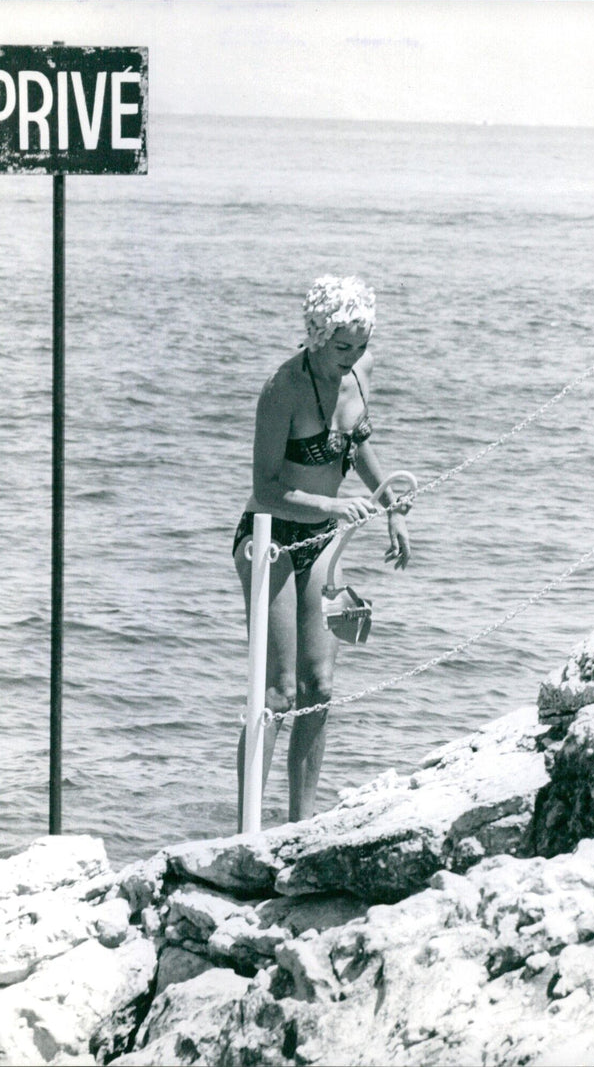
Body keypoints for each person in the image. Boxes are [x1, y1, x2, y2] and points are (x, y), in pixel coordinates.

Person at [232, 275, 411, 829]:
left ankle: (299, 828)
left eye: (359, 346)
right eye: (341, 347)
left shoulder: (361, 369)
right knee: (280, 692)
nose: (351, 359)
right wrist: (332, 508)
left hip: (322, 541)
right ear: (316, 335)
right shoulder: (282, 388)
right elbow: (265, 489)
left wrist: (390, 506)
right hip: (271, 541)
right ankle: (246, 829)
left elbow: (354, 445)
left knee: (320, 689)